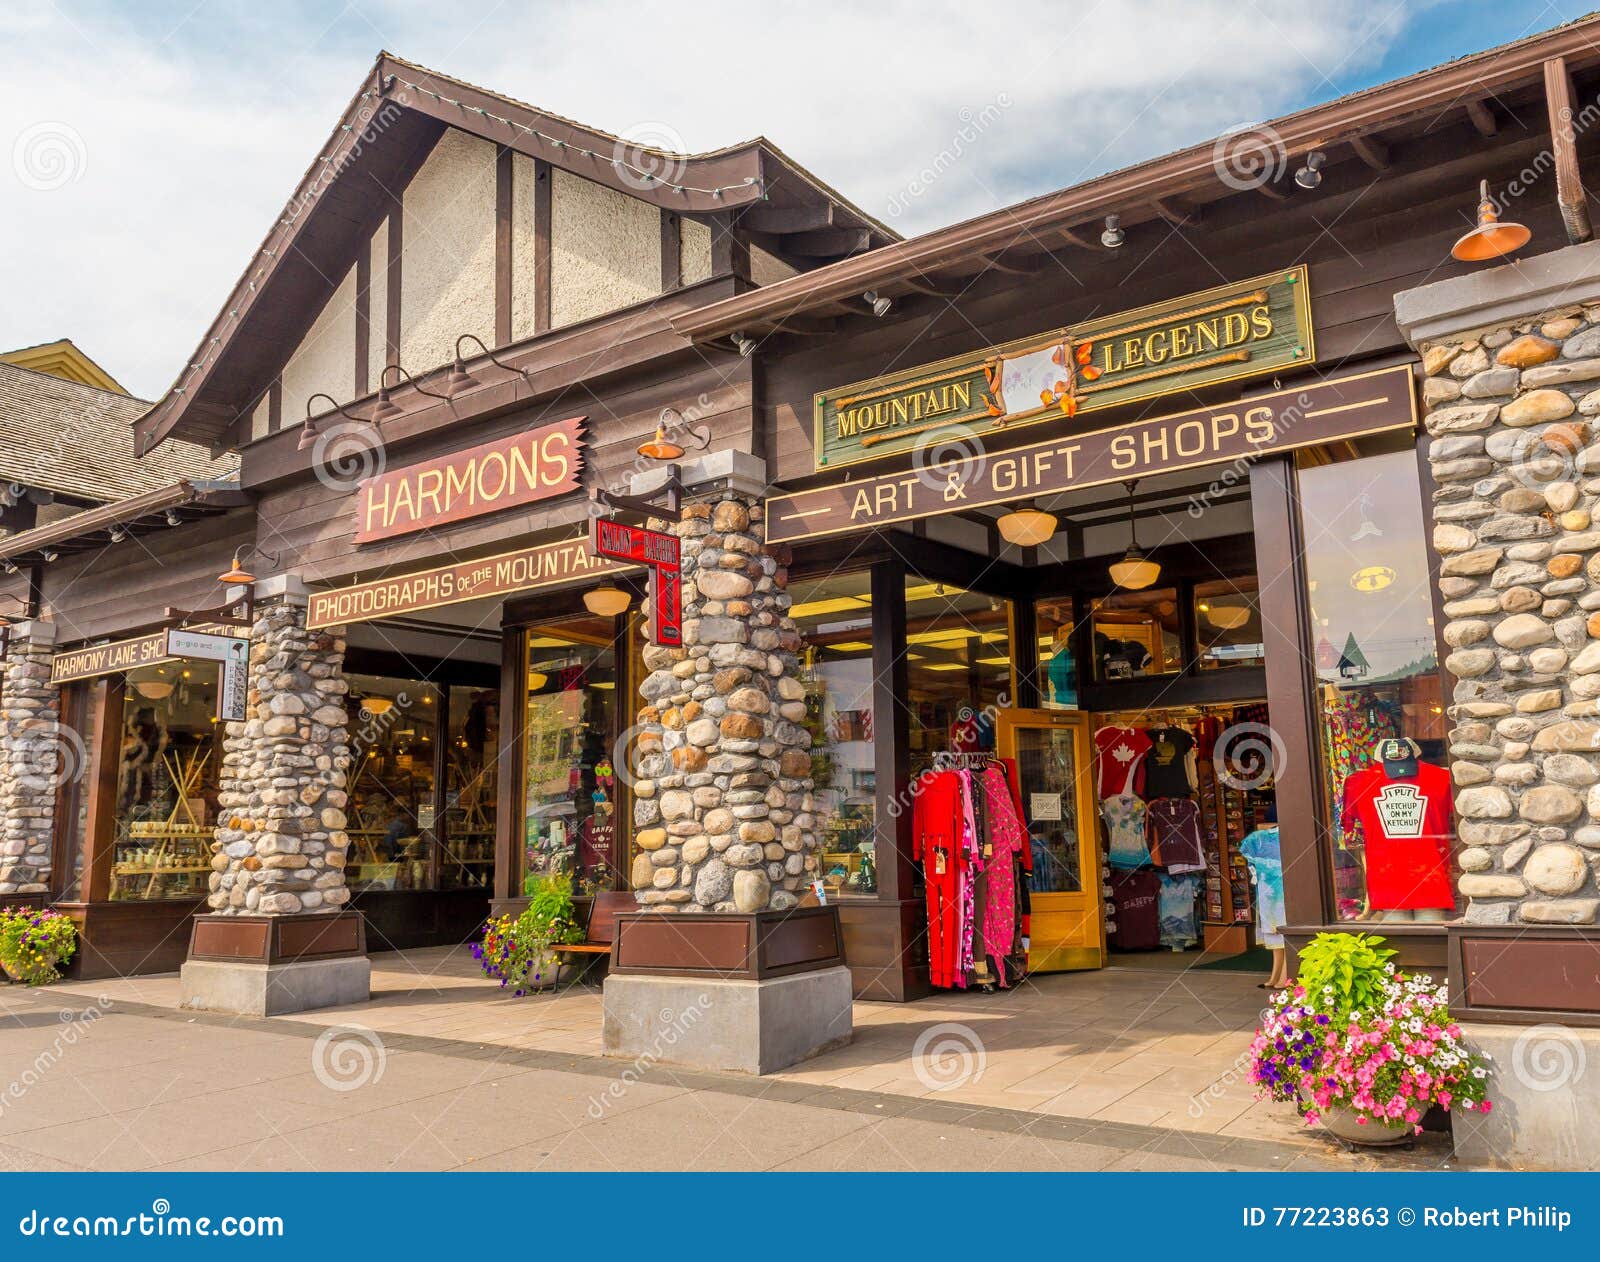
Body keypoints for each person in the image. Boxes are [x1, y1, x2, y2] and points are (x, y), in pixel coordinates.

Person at [1237, 804, 1287, 989]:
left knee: (1279, 933)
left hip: (1272, 893)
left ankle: (1281, 976)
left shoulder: (1260, 839)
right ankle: (1277, 976)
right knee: (1277, 934)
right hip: (1272, 893)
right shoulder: (1260, 839)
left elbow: (1247, 855)